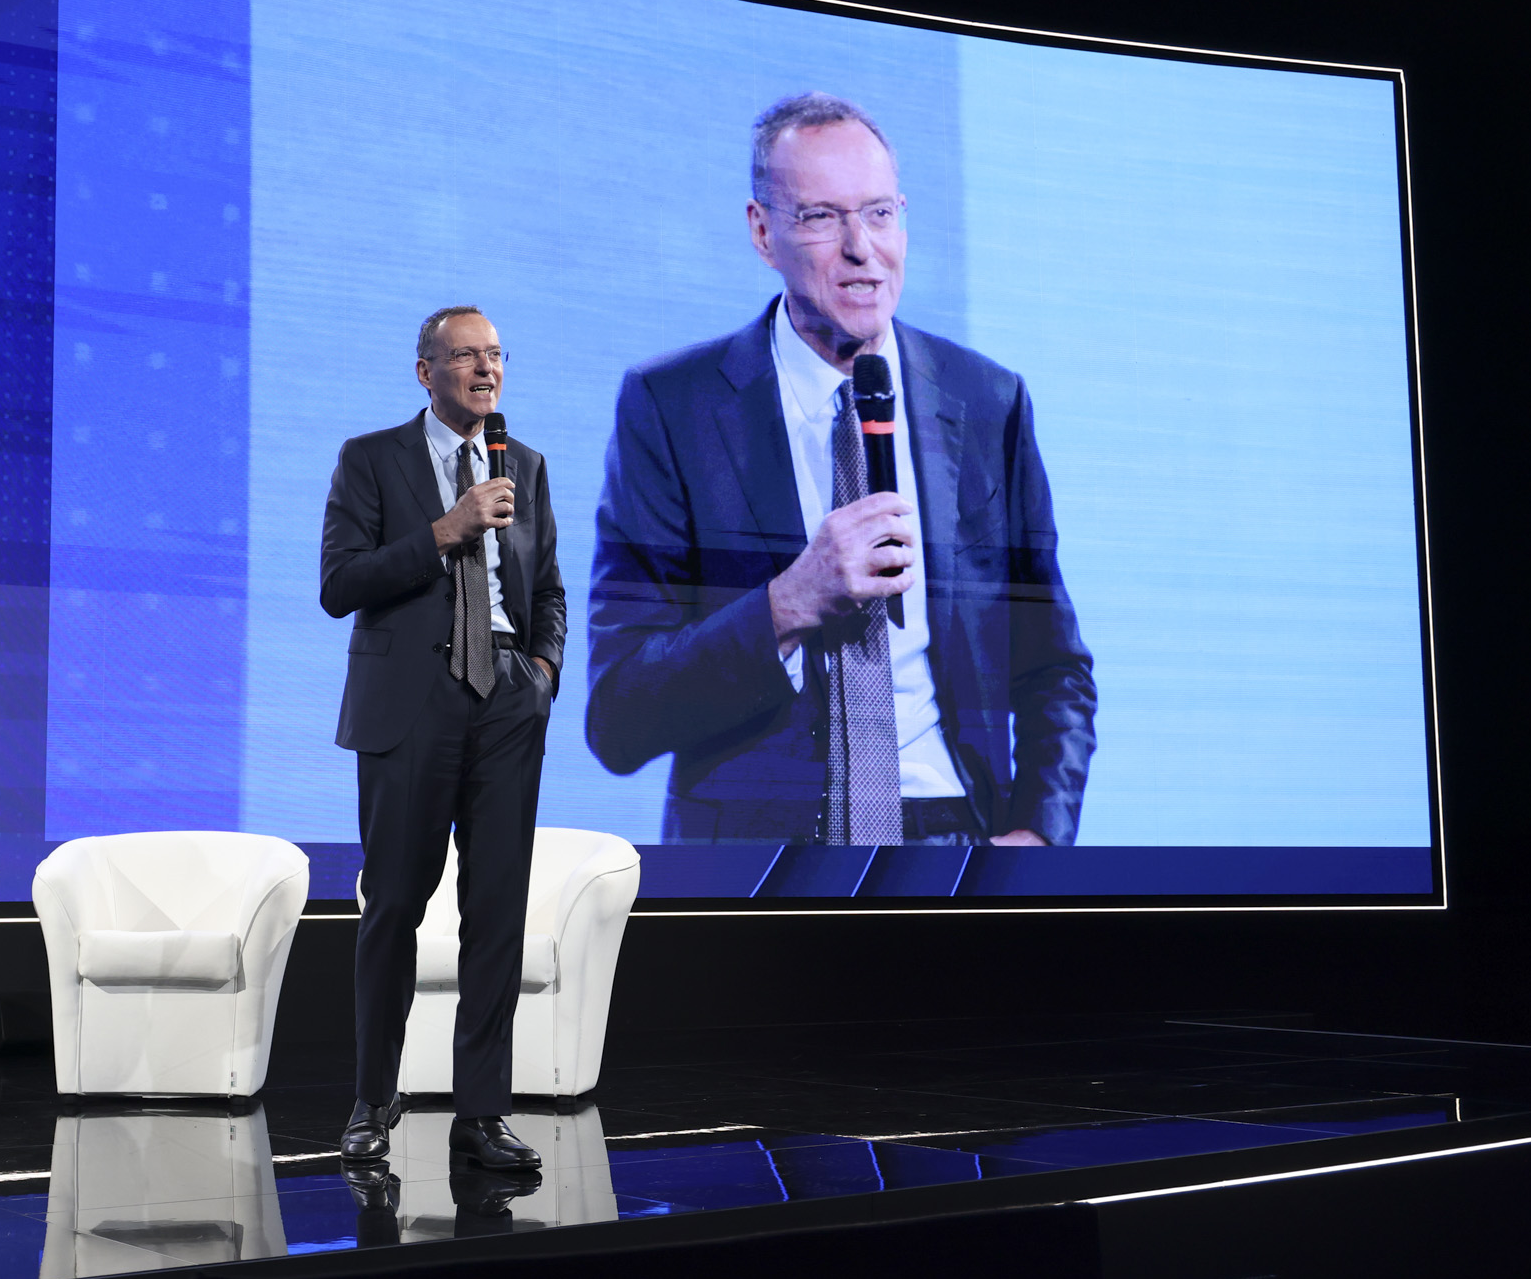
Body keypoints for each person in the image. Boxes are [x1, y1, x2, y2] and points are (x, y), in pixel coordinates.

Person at [584, 93, 1093, 847]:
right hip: (763, 859)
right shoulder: (674, 406)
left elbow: (1055, 667)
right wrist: (787, 604)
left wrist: (1037, 837)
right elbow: (619, 714)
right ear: (763, 233)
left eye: (880, 213)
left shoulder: (988, 401)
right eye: (822, 217)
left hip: (956, 839)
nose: (863, 248)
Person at [320, 305, 567, 1170]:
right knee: (394, 903)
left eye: (495, 354)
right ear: (425, 370)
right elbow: (339, 583)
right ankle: (373, 1097)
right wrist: (443, 531)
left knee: (496, 911)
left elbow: (550, 589)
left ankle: (482, 1112)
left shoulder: (524, 464)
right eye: (466, 355)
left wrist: (541, 674)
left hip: (506, 699)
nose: (486, 368)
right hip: (411, 702)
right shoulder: (370, 458)